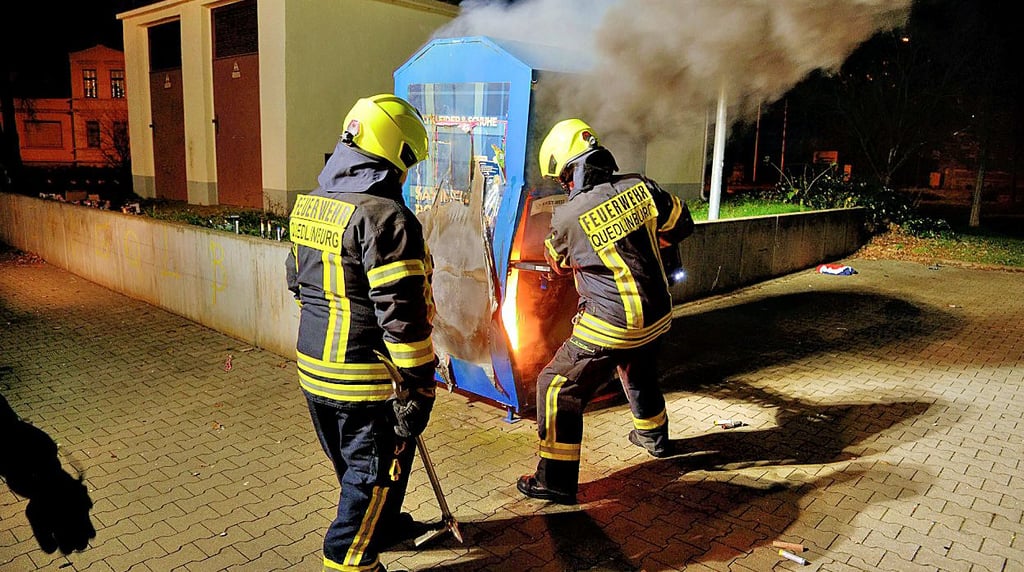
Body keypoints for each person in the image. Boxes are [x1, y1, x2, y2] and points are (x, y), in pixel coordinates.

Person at [286, 94, 438, 572]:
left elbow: (296, 281)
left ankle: (384, 525)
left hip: (314, 373)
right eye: (407, 163)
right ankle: (348, 557)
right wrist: (419, 386)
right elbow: (403, 315)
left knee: (358, 472)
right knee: (370, 478)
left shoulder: (310, 205)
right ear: (394, 156)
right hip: (368, 384)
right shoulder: (387, 219)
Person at [516, 118, 694, 505]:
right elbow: (681, 223)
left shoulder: (567, 215)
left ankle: (555, 481)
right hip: (658, 313)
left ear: (571, 171)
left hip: (613, 323)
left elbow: (558, 265)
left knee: (554, 386)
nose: (565, 186)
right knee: (637, 366)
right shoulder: (640, 186)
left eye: (564, 178)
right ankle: (653, 436)